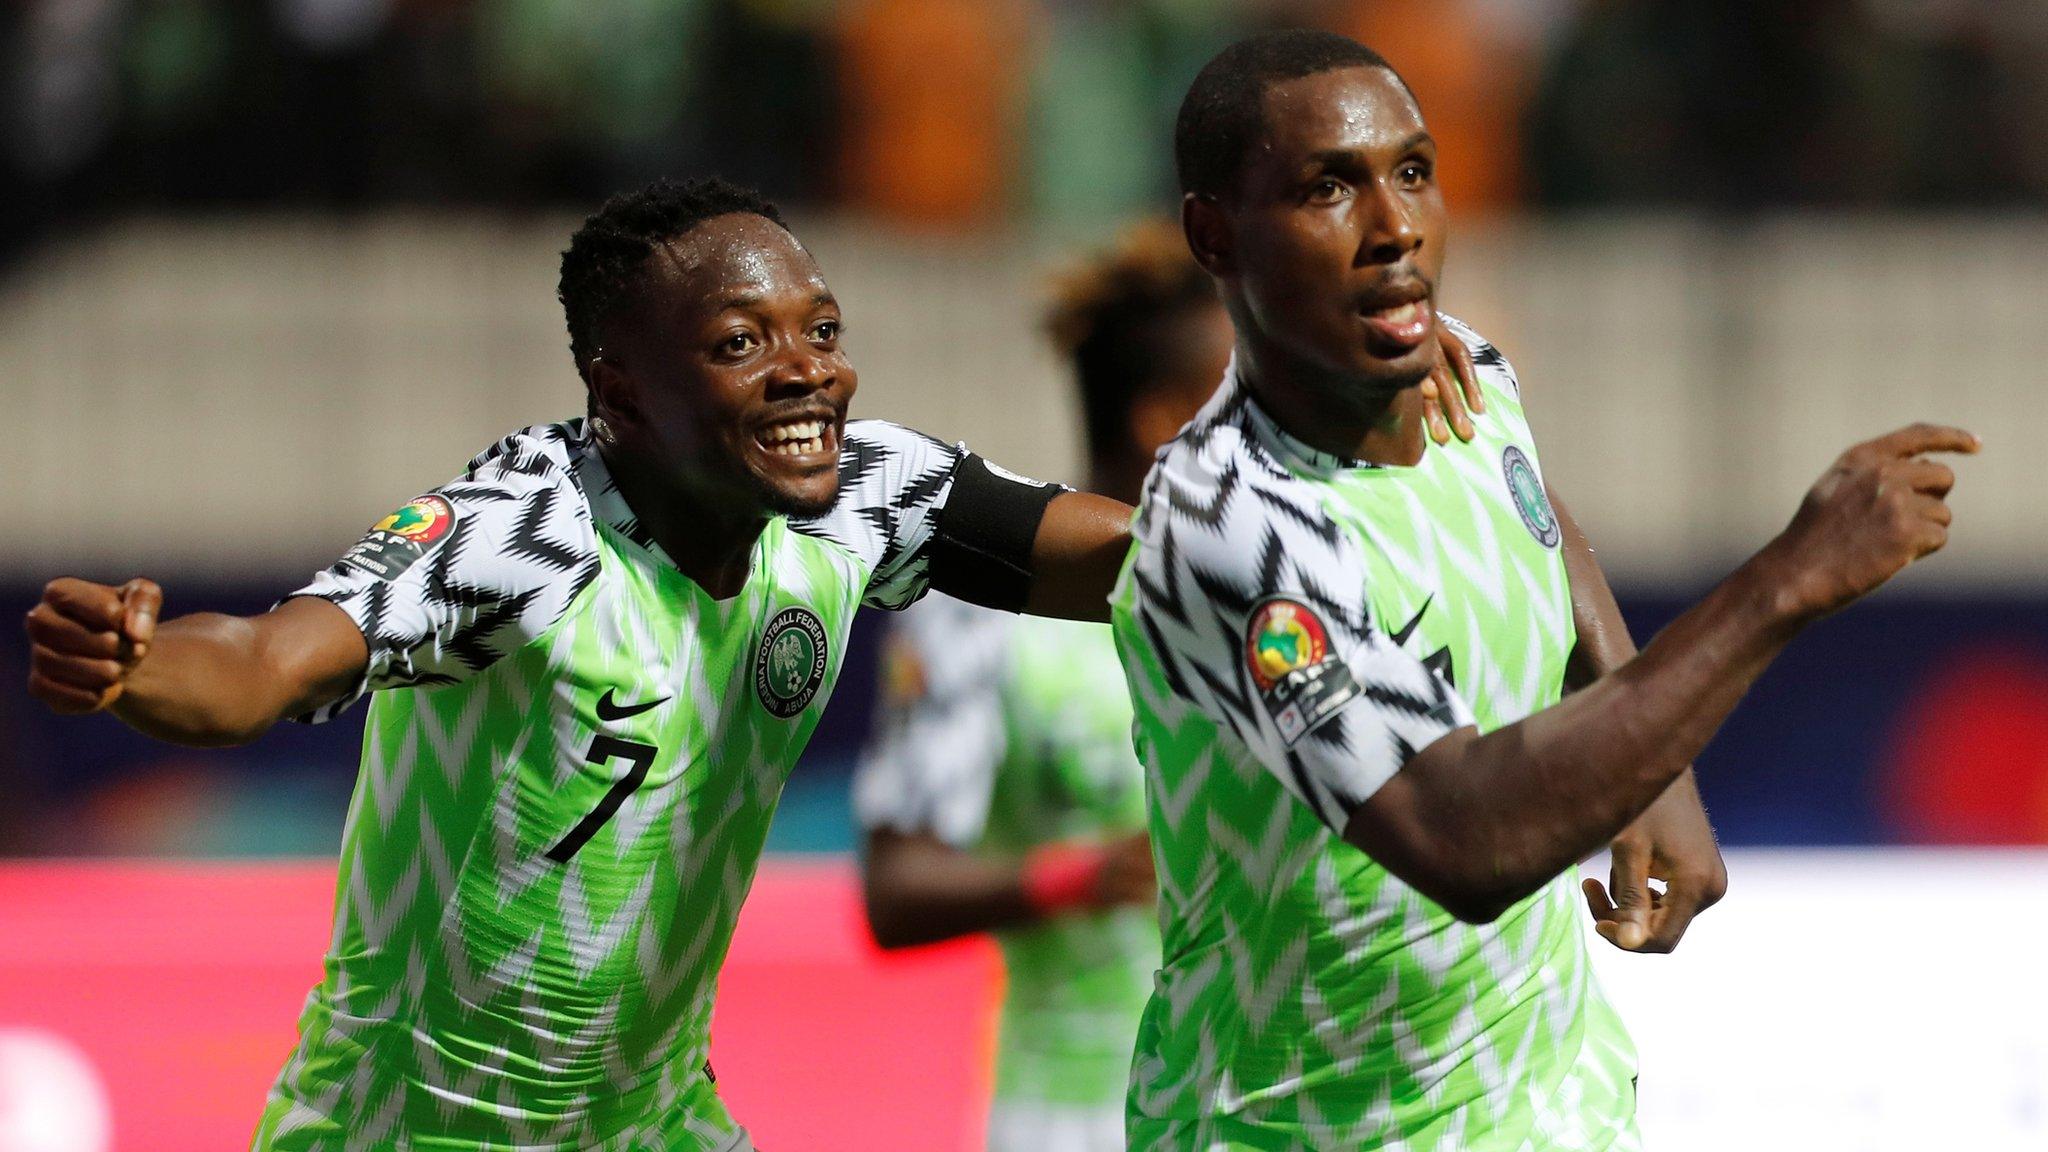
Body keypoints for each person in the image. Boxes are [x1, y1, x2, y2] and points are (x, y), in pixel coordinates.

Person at [21, 177, 1137, 1152]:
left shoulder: (861, 495)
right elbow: (262, 665)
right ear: (619, 396)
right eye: (740, 343)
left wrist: (1282, 536)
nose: (808, 374)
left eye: (824, 330)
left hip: (652, 1128)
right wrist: (134, 664)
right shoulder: (518, 534)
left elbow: (1127, 560)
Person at [1112, 29, 1976, 1150]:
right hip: (1308, 1128)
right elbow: (1460, 838)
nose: (1394, 231)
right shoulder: (1228, 525)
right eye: (1327, 188)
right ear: (1212, 234)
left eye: (1411, 173)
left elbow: (1529, 511)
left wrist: (1649, 768)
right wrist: (1782, 581)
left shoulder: (1457, 366)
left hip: (1546, 1106)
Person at [853, 222, 1229, 1152]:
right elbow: (895, 892)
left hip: (1272, 1107)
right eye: (1249, 396)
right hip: (1076, 1115)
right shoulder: (982, 617)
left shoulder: (1287, 587)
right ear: (1164, 414)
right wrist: (1082, 876)